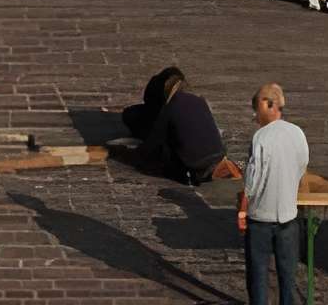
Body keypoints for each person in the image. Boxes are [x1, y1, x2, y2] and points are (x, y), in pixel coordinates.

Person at [237, 80, 309, 305]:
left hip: (261, 216)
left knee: (258, 273)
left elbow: (252, 180)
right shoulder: (297, 133)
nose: (256, 116)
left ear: (267, 104)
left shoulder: (261, 137)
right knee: (287, 275)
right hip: (288, 215)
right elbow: (302, 165)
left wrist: (243, 206)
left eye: (257, 109)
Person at [123, 67, 237, 184]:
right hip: (219, 156)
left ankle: (190, 174)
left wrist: (129, 155)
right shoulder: (199, 100)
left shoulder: (169, 108)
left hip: (195, 165)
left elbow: (153, 142)